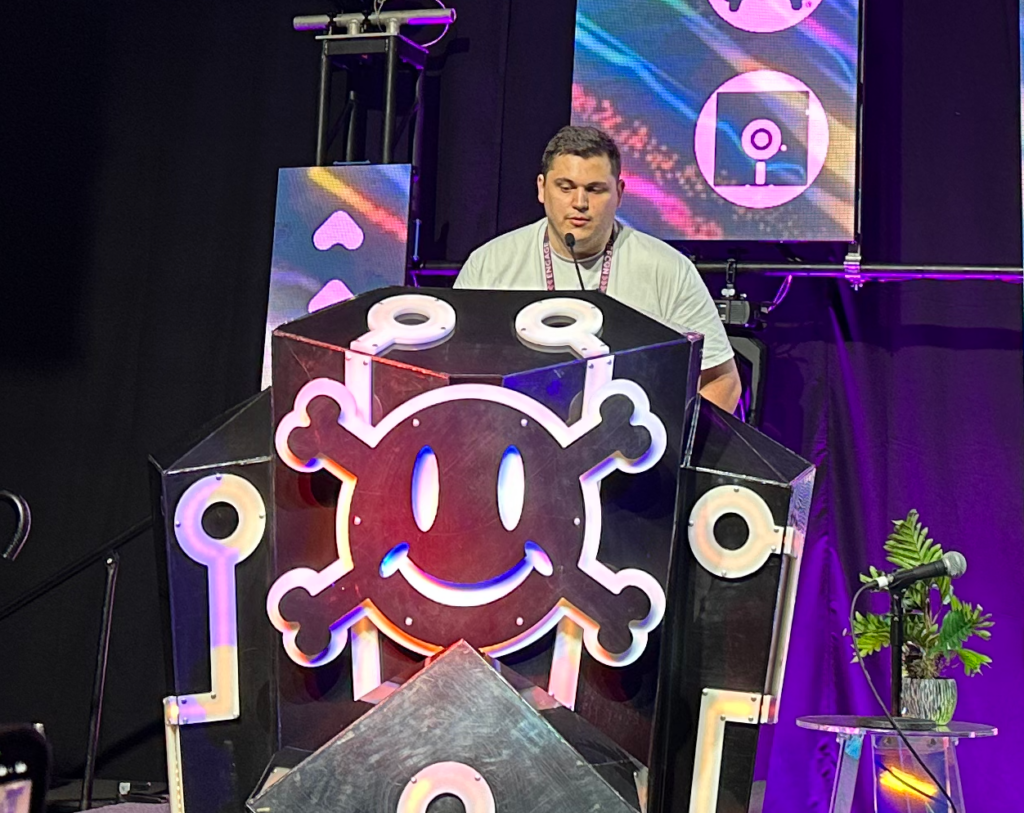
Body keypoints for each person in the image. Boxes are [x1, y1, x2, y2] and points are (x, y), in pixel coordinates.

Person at [455, 126, 742, 412]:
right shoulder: (489, 265)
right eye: (565, 187)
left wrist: (671, 452)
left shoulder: (667, 270)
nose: (580, 203)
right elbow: (455, 372)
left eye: (595, 189)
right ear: (542, 188)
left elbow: (722, 381)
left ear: (618, 193)